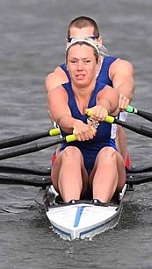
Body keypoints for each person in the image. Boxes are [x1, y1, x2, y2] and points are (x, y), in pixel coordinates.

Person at [44, 16, 135, 166]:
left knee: (115, 125)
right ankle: (66, 163)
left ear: (99, 41)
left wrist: (122, 97)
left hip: (108, 141)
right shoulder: (58, 76)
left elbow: (125, 83)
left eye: (87, 40)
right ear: (67, 44)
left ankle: (117, 165)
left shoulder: (118, 66)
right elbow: (57, 111)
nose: (82, 44)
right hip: (72, 140)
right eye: (75, 41)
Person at [48, 37, 126, 203]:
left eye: (86, 61)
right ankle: (71, 205)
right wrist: (75, 124)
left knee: (108, 153)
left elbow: (108, 102)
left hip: (107, 165)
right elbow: (62, 117)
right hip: (70, 164)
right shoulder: (57, 93)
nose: (80, 68)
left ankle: (99, 204)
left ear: (97, 65)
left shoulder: (108, 92)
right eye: (74, 62)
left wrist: (102, 109)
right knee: (71, 152)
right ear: (67, 65)